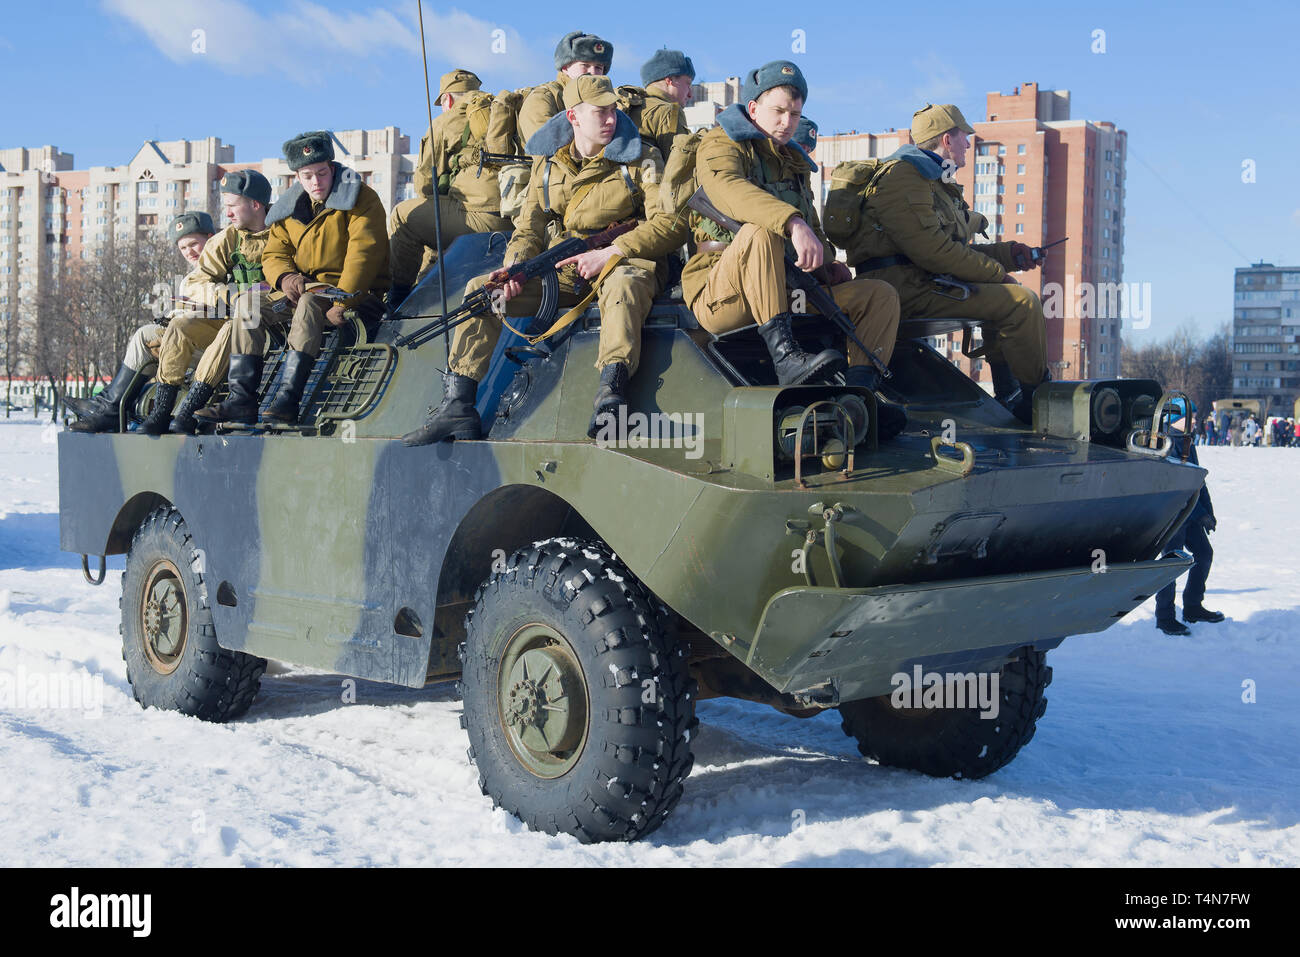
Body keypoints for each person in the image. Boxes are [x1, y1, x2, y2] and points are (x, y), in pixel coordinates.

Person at [402, 74, 688, 447]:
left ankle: (611, 394)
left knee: (624, 285)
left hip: (626, 261)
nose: (609, 119)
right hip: (564, 269)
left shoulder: (640, 158)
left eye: (612, 111)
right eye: (599, 112)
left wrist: (611, 252)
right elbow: (528, 229)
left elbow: (671, 224)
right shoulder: (549, 165)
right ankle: (458, 403)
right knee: (482, 291)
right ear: (573, 117)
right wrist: (516, 268)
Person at [678, 60, 905, 437]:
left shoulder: (793, 161)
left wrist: (827, 265)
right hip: (721, 292)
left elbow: (812, 225)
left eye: (795, 114)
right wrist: (790, 222)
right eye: (778, 111)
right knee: (761, 231)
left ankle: (860, 398)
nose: (787, 122)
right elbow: (728, 189)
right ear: (753, 109)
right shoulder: (719, 143)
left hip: (786, 287)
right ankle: (786, 358)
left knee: (878, 295)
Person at [833, 103, 1050, 423]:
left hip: (921, 280)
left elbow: (950, 250)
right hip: (897, 288)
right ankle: (1041, 402)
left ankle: (1011, 394)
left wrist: (1009, 255)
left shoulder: (934, 182)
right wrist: (999, 274)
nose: (968, 144)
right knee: (1021, 302)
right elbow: (932, 252)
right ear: (946, 140)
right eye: (964, 138)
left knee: (1005, 298)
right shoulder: (904, 176)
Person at [198, 131, 390, 427]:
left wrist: (345, 299)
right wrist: (286, 277)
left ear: (333, 167)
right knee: (249, 305)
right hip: (301, 289)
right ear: (298, 176)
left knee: (311, 304)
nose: (316, 182)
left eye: (322, 173)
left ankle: (288, 399)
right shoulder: (289, 209)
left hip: (349, 292)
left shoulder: (361, 199)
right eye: (307, 175)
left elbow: (363, 254)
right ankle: (241, 400)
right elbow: (274, 253)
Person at [136, 170, 274, 435]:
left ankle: (189, 410)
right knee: (180, 325)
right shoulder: (228, 240)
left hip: (269, 324)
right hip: (232, 314)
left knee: (230, 328)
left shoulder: (283, 233)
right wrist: (227, 295)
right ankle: (162, 412)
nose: (228, 214)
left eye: (233, 206)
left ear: (255, 204)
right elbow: (195, 283)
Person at [67, 211, 216, 432]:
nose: (189, 252)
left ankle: (108, 408)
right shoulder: (190, 279)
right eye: (183, 248)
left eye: (194, 244)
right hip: (192, 339)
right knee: (145, 334)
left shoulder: (222, 266)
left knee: (145, 336)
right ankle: (108, 406)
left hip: (216, 347)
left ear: (210, 237)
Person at [387, 69, 514, 307]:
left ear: (447, 99)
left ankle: (397, 298)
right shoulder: (504, 113)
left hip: (480, 220)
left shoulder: (446, 120)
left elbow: (425, 184)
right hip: (516, 220)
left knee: (404, 217)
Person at [1155, 397, 1223, 636]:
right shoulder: (1166, 442)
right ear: (1176, 419)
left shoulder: (1186, 441)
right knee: (1172, 564)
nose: (1195, 420)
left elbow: (1197, 481)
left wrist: (1208, 512)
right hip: (1174, 515)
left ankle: (1193, 607)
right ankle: (1165, 617)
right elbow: (1179, 485)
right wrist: (1201, 513)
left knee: (1204, 554)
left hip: (1191, 513)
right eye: (1190, 416)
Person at [518, 31, 614, 144]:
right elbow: (545, 148)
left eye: (598, 67)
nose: (592, 73)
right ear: (565, 67)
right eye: (585, 65)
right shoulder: (542, 99)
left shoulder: (608, 104)